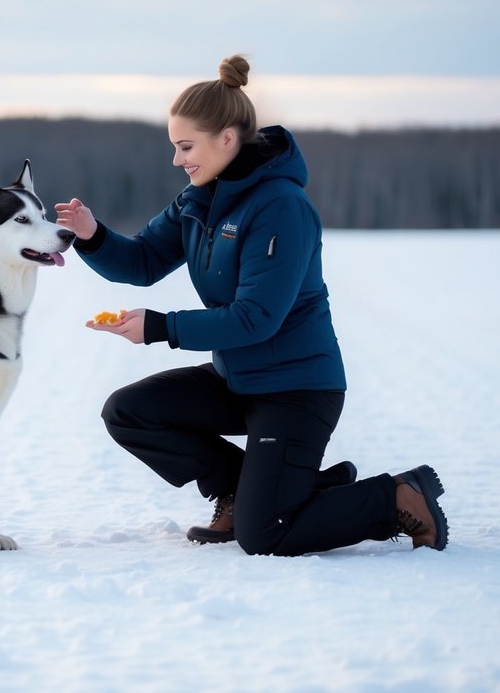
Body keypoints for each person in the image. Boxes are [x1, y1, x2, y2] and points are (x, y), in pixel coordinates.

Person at [55, 55, 448, 556]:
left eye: (185, 146)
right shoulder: (197, 200)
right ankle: (250, 489)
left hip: (297, 391)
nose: (178, 160)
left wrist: (159, 327)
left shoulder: (282, 206)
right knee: (128, 412)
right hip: (238, 381)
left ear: (226, 139)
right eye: (175, 147)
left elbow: (256, 318)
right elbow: (144, 260)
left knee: (267, 535)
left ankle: (395, 497)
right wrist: (92, 236)